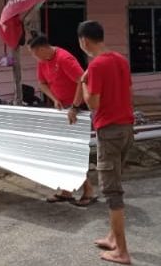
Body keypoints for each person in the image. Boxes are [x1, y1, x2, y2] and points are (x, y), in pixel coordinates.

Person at [78, 20, 134, 265]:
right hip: (125, 128)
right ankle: (113, 237)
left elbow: (93, 104)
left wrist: (83, 83)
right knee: (116, 180)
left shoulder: (97, 65)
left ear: (84, 41)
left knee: (112, 191)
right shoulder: (120, 59)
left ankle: (122, 251)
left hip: (109, 131)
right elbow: (126, 90)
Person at [27, 32, 96, 207]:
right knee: (62, 149)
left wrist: (74, 106)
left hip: (77, 108)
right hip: (62, 108)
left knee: (73, 150)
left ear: (42, 49)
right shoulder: (43, 61)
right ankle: (67, 190)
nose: (34, 57)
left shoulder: (64, 59)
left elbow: (83, 81)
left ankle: (89, 190)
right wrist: (54, 98)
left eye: (34, 53)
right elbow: (42, 83)